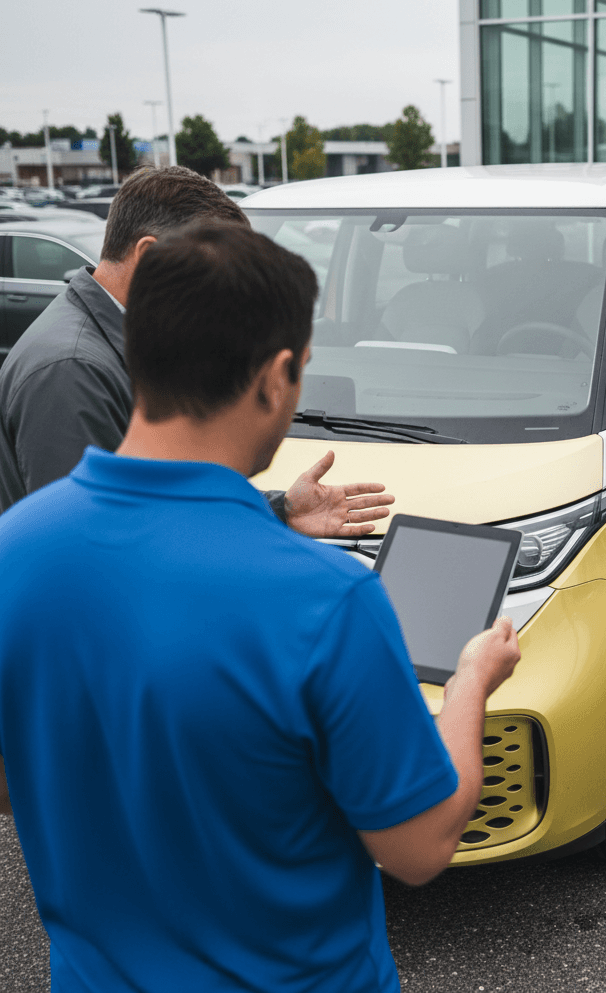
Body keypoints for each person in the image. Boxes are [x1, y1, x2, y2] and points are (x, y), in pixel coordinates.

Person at [0, 225, 521, 993]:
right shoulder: (327, 599)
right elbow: (419, 846)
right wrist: (473, 681)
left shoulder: (15, 550)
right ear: (277, 376)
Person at [0, 164, 394, 538]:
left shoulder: (115, 344)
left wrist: (278, 510)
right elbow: (99, 541)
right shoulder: (71, 371)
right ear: (151, 257)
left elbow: (156, 495)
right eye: (210, 272)